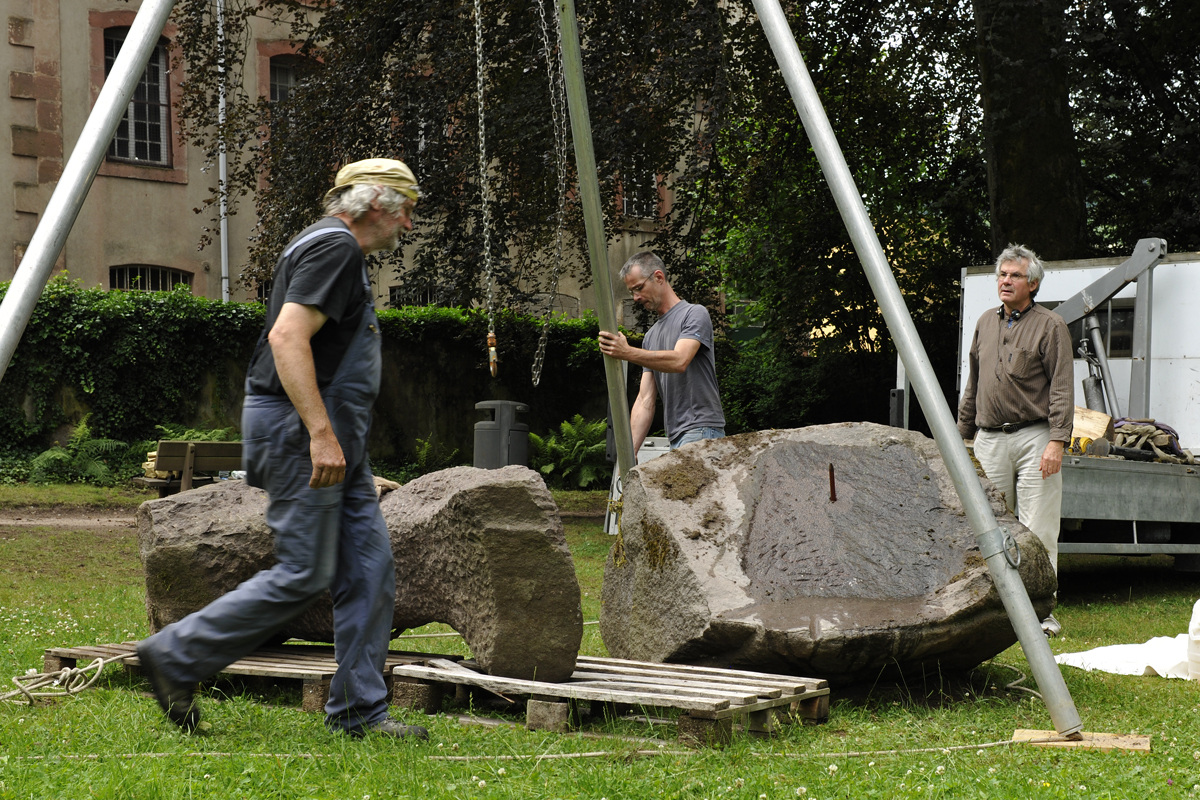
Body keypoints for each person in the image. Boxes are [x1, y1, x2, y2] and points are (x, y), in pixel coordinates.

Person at [136, 159, 428, 739]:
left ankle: (359, 713)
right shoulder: (335, 249)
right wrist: (321, 435)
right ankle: (175, 655)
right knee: (303, 572)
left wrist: (346, 450)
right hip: (302, 431)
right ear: (379, 205)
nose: (410, 226)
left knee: (369, 570)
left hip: (333, 438)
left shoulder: (330, 248)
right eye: (409, 210)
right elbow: (287, 336)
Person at [957, 243, 1074, 637]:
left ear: (1033, 283)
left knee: (1038, 529)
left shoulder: (1050, 325)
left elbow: (1061, 388)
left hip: (1035, 437)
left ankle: (1044, 613)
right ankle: (994, 610)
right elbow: (973, 384)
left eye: (1014, 275)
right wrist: (962, 437)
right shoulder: (985, 323)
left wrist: (1057, 440)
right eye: (1002, 275)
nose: (1005, 281)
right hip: (989, 439)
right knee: (987, 525)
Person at [598, 252, 726, 453]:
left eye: (639, 288)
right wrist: (629, 453)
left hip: (701, 430)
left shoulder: (694, 314)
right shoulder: (650, 336)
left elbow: (679, 361)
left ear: (659, 277)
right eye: (632, 292)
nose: (636, 298)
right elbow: (645, 400)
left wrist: (626, 352)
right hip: (675, 436)